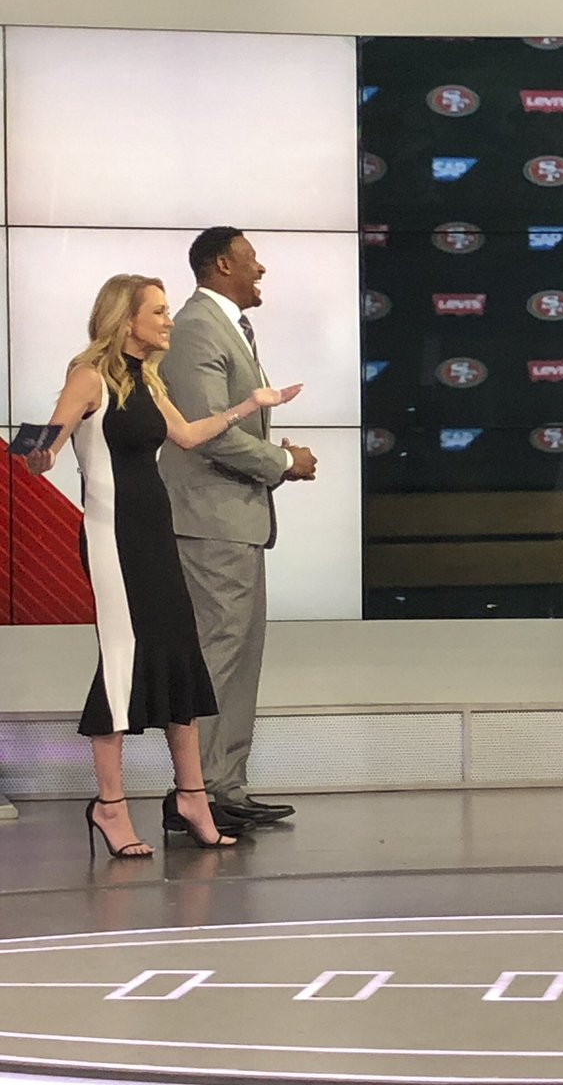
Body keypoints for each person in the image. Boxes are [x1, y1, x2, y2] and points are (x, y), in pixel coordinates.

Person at [20, 274, 301, 857]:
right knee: (123, 664)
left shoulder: (147, 378)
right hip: (112, 538)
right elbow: (49, 443)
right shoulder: (89, 377)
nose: (170, 320)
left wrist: (250, 405)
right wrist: (38, 455)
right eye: (159, 311)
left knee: (179, 655)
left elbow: (189, 436)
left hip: (155, 533)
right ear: (127, 319)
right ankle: (110, 806)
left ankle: (192, 796)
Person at [158, 228, 317, 830]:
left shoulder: (226, 327)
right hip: (210, 521)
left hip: (234, 522)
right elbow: (207, 431)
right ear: (223, 264)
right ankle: (195, 794)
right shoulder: (199, 326)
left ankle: (223, 787)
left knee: (239, 655)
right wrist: (283, 461)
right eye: (253, 260)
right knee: (218, 656)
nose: (262, 270)